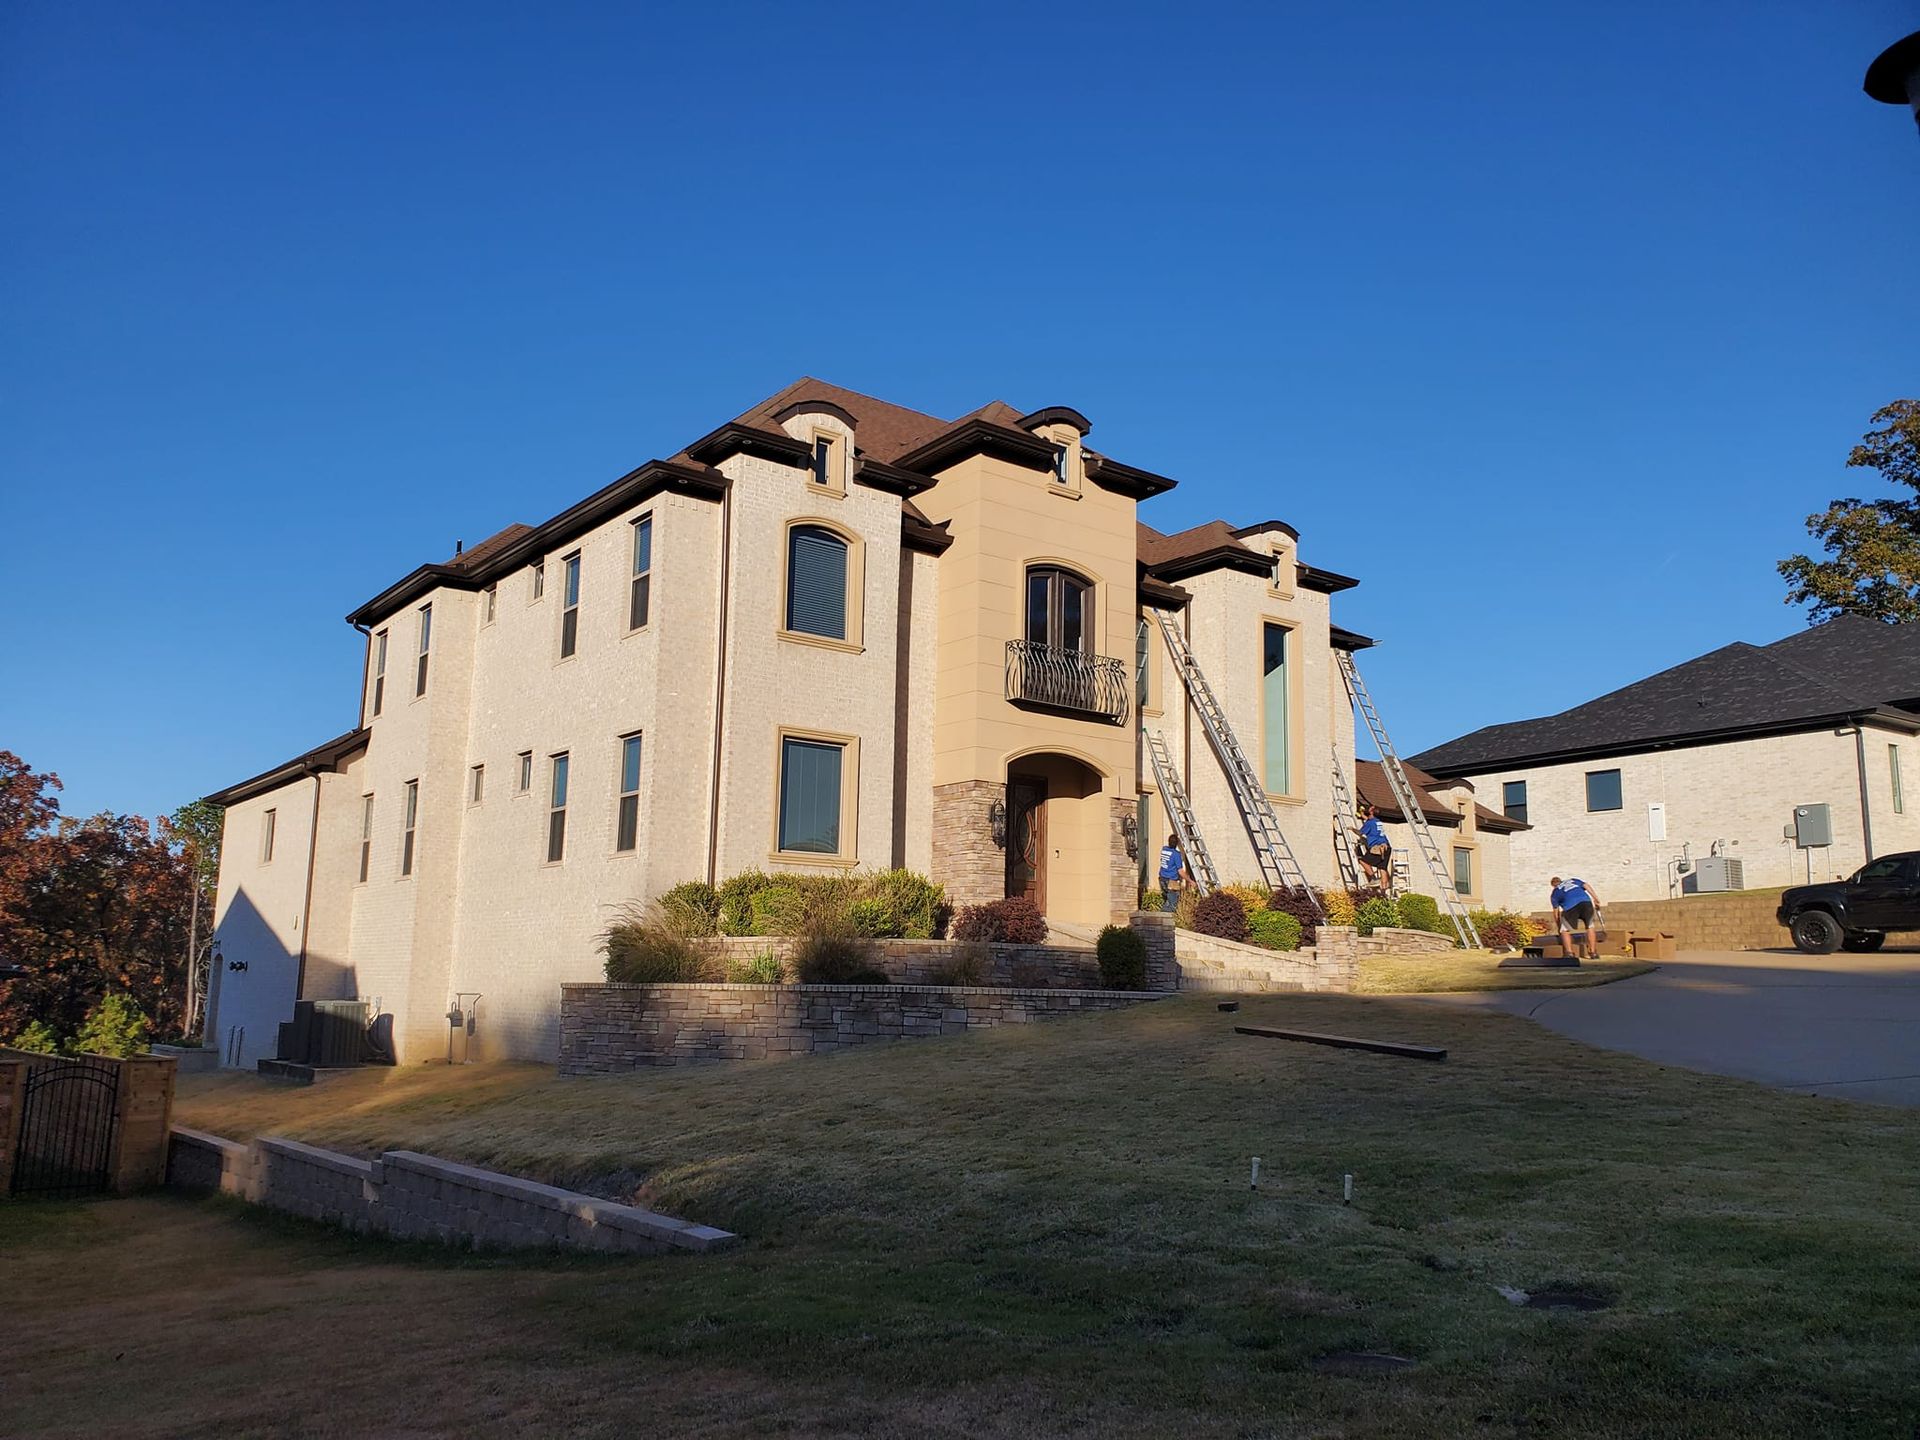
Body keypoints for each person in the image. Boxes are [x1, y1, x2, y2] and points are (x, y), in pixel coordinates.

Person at [1549, 875, 1602, 960]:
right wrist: (1595, 899)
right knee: (1590, 926)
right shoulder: (1573, 880)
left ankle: (1569, 953)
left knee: (1564, 930)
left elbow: (1556, 912)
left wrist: (1559, 926)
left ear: (1553, 885)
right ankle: (1593, 952)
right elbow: (1586, 885)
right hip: (1586, 902)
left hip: (1571, 907)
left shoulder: (1555, 892)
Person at [1356, 805, 1392, 888]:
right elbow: (1369, 821)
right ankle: (1383, 893)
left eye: (1370, 809)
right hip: (1387, 847)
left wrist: (1351, 829)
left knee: (1362, 861)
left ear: (1371, 812)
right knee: (1382, 868)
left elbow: (1360, 833)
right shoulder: (1377, 821)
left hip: (1378, 848)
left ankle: (1373, 878)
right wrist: (1362, 815)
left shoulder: (1369, 823)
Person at [1156, 833, 1189, 903]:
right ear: (1177, 844)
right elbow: (1180, 871)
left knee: (1166, 901)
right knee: (1173, 904)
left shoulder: (1164, 849)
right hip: (1171, 881)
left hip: (1162, 879)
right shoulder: (1176, 854)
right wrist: (1190, 881)